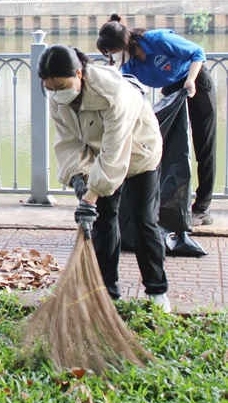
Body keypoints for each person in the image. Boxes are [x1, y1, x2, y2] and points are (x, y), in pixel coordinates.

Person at [39, 45, 170, 312]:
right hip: (102, 156)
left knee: (144, 222)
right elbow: (68, 142)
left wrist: (91, 195)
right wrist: (77, 176)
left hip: (138, 152)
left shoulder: (113, 93)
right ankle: (106, 291)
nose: (56, 93)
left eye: (62, 85)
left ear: (79, 73)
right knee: (104, 222)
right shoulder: (57, 99)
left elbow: (115, 150)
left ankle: (157, 292)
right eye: (50, 88)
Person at [97, 14, 216, 226]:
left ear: (124, 44)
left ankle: (202, 206)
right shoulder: (128, 66)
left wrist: (190, 81)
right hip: (172, 89)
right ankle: (166, 203)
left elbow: (197, 53)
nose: (112, 58)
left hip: (194, 79)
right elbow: (129, 91)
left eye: (112, 53)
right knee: (165, 144)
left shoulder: (157, 39)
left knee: (204, 144)